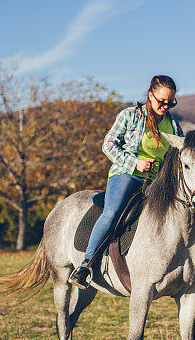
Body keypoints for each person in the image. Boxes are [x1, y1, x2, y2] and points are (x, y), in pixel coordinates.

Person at [69, 75, 183, 289]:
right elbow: (108, 144)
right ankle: (86, 265)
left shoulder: (175, 127)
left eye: (171, 102)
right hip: (127, 175)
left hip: (157, 182)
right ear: (150, 95)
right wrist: (135, 163)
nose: (165, 106)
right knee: (112, 212)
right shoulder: (129, 116)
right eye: (161, 101)